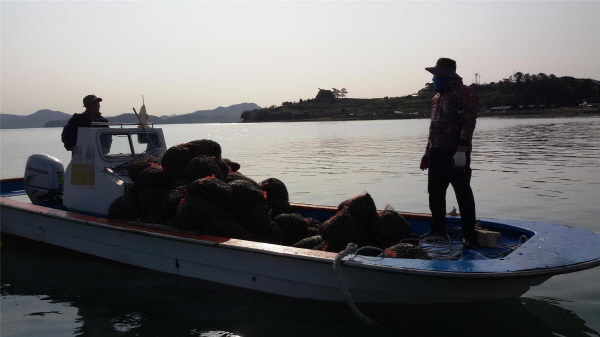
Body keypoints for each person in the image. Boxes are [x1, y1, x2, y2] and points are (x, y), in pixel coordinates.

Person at [419, 58, 479, 249]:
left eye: (436, 75)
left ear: (446, 75)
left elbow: (468, 122)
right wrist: (427, 151)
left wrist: (462, 149)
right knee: (435, 194)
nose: (434, 78)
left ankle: (468, 235)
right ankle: (438, 229)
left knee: (463, 195)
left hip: (455, 155)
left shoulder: (464, 93)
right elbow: (433, 127)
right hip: (436, 153)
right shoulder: (437, 98)